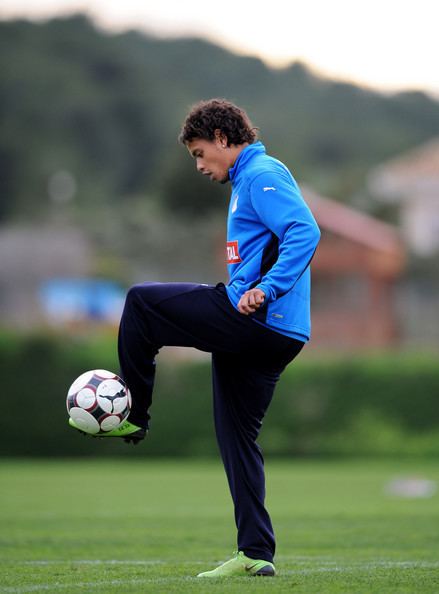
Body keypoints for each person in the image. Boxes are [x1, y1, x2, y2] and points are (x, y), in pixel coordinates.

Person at [70, 98, 321, 577]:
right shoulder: (254, 176)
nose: (201, 165)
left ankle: (133, 415)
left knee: (141, 304)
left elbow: (304, 231)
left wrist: (266, 289)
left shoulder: (261, 173)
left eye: (201, 153)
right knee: (237, 439)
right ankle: (255, 554)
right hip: (277, 335)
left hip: (256, 320)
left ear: (224, 139)